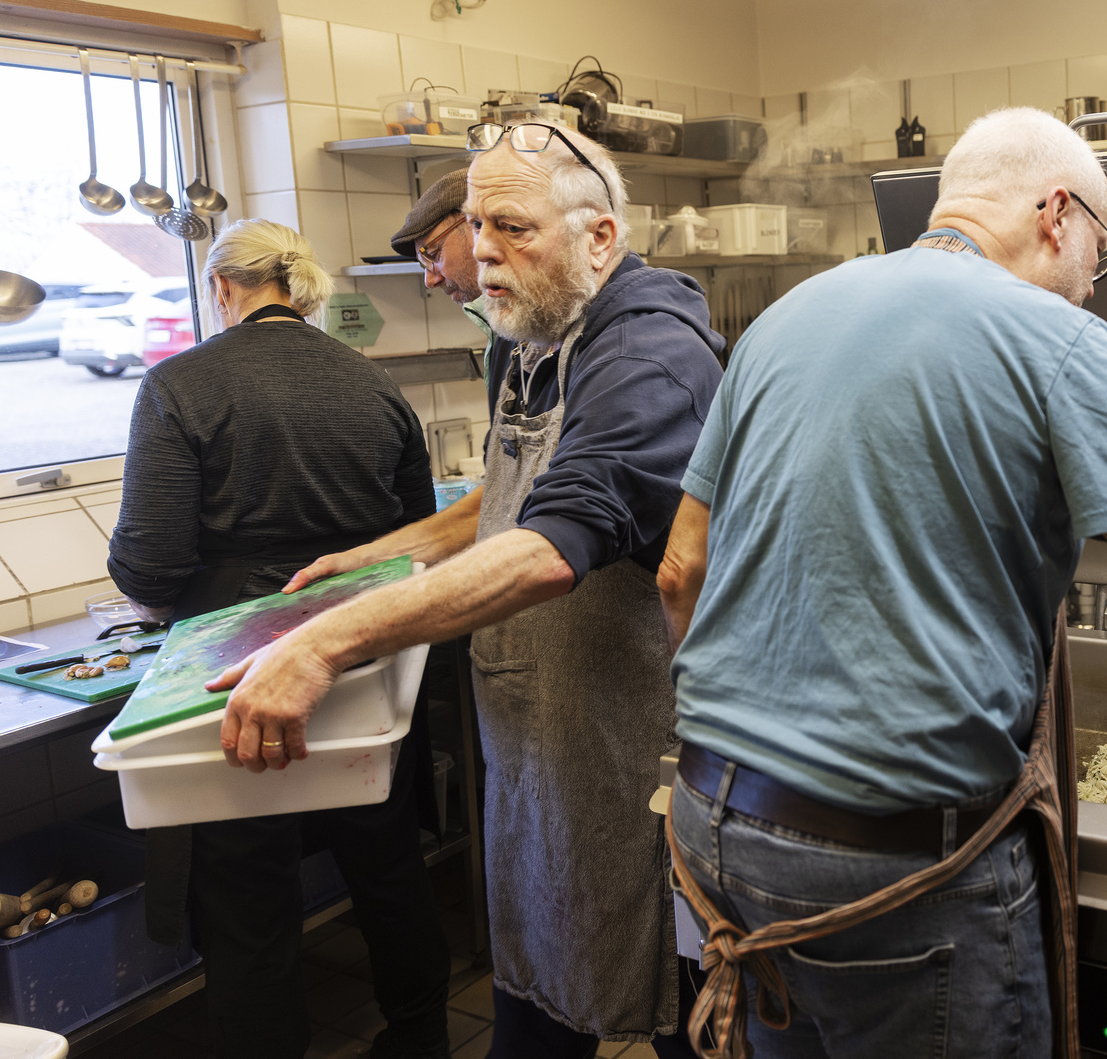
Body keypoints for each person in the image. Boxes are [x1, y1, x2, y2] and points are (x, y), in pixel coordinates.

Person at [656, 106, 1107, 1057]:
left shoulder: (783, 318)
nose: (1095, 282)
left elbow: (682, 571)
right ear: (1058, 212)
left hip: (711, 826)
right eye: (1102, 249)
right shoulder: (1057, 339)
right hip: (893, 871)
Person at [204, 121, 726, 1057]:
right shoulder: (531, 331)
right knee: (538, 980)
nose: (482, 250)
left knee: (679, 992)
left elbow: (553, 543)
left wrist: (325, 640)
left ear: (600, 236)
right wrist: (382, 555)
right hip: (541, 736)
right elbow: (509, 489)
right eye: (476, 223)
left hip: (633, 738)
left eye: (513, 227)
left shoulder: (649, 349)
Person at [107, 220, 450, 1059]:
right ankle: (420, 1040)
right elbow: (418, 533)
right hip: (362, 646)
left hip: (239, 664)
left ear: (222, 288)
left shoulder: (180, 385)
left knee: (247, 891)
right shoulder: (370, 382)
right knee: (387, 864)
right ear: (299, 292)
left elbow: (149, 566)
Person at [392, 167, 494, 344]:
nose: (430, 281)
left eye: (434, 254)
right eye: (424, 264)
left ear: (477, 226)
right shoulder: (504, 330)